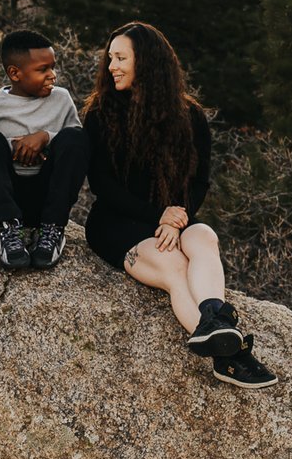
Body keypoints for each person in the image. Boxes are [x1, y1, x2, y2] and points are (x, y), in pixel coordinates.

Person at [81, 21, 275, 389]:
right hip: (117, 221)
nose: (111, 67)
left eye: (121, 58)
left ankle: (214, 320)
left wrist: (176, 218)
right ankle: (231, 357)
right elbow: (102, 186)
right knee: (173, 266)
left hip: (174, 217)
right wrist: (160, 216)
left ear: (149, 63)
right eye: (110, 59)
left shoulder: (191, 116)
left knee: (203, 236)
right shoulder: (100, 114)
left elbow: (198, 181)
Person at [0, 29, 90, 271]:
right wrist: (14, 148)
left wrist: (44, 138)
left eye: (53, 67)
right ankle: (10, 232)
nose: (53, 76)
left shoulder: (61, 99)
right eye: (43, 70)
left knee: (75, 137)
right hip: (2, 197)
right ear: (14, 73)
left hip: (46, 198)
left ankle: (52, 230)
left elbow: (75, 151)